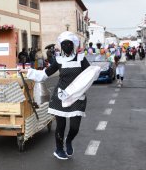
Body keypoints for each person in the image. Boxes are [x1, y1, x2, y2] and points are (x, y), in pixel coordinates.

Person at [26, 32, 96, 160]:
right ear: (61, 45)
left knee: (75, 127)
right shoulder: (58, 60)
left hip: (77, 97)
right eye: (64, 44)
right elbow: (44, 74)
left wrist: (97, 70)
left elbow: (89, 74)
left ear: (73, 45)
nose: (66, 46)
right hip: (61, 96)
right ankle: (59, 149)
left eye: (69, 44)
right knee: (61, 125)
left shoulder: (81, 58)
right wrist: (28, 72)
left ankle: (68, 141)